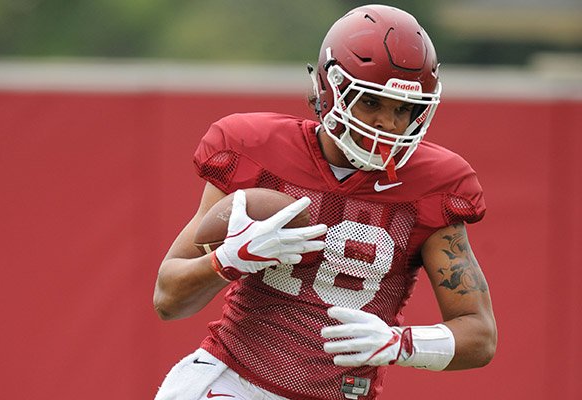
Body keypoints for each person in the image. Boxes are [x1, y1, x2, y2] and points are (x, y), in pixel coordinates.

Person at [153, 4, 497, 400]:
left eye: (403, 109)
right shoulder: (255, 151)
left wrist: (399, 343)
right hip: (234, 381)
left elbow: (479, 334)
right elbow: (168, 299)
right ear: (329, 89)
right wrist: (228, 260)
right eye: (371, 102)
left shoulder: (434, 185)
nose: (388, 122)